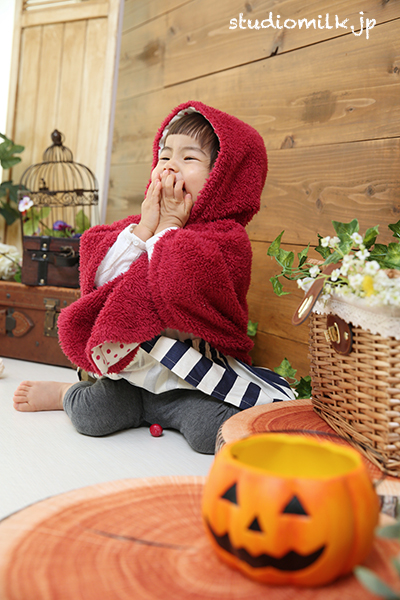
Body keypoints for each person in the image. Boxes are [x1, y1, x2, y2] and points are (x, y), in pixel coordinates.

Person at [13, 101, 295, 454]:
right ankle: (66, 393)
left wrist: (171, 227)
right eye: (164, 156)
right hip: (132, 376)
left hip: (191, 382)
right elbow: (102, 284)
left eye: (189, 158)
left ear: (222, 178)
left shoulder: (226, 239)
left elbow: (179, 286)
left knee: (212, 434)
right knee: (91, 416)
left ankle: (176, 412)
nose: (170, 166)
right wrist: (146, 228)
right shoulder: (139, 227)